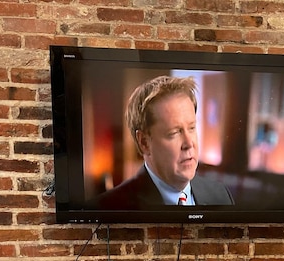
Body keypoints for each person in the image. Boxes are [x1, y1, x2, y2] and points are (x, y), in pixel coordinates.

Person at [91, 76, 234, 209]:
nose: (189, 144)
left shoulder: (220, 196)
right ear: (144, 143)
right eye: (174, 133)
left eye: (191, 128)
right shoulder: (109, 208)